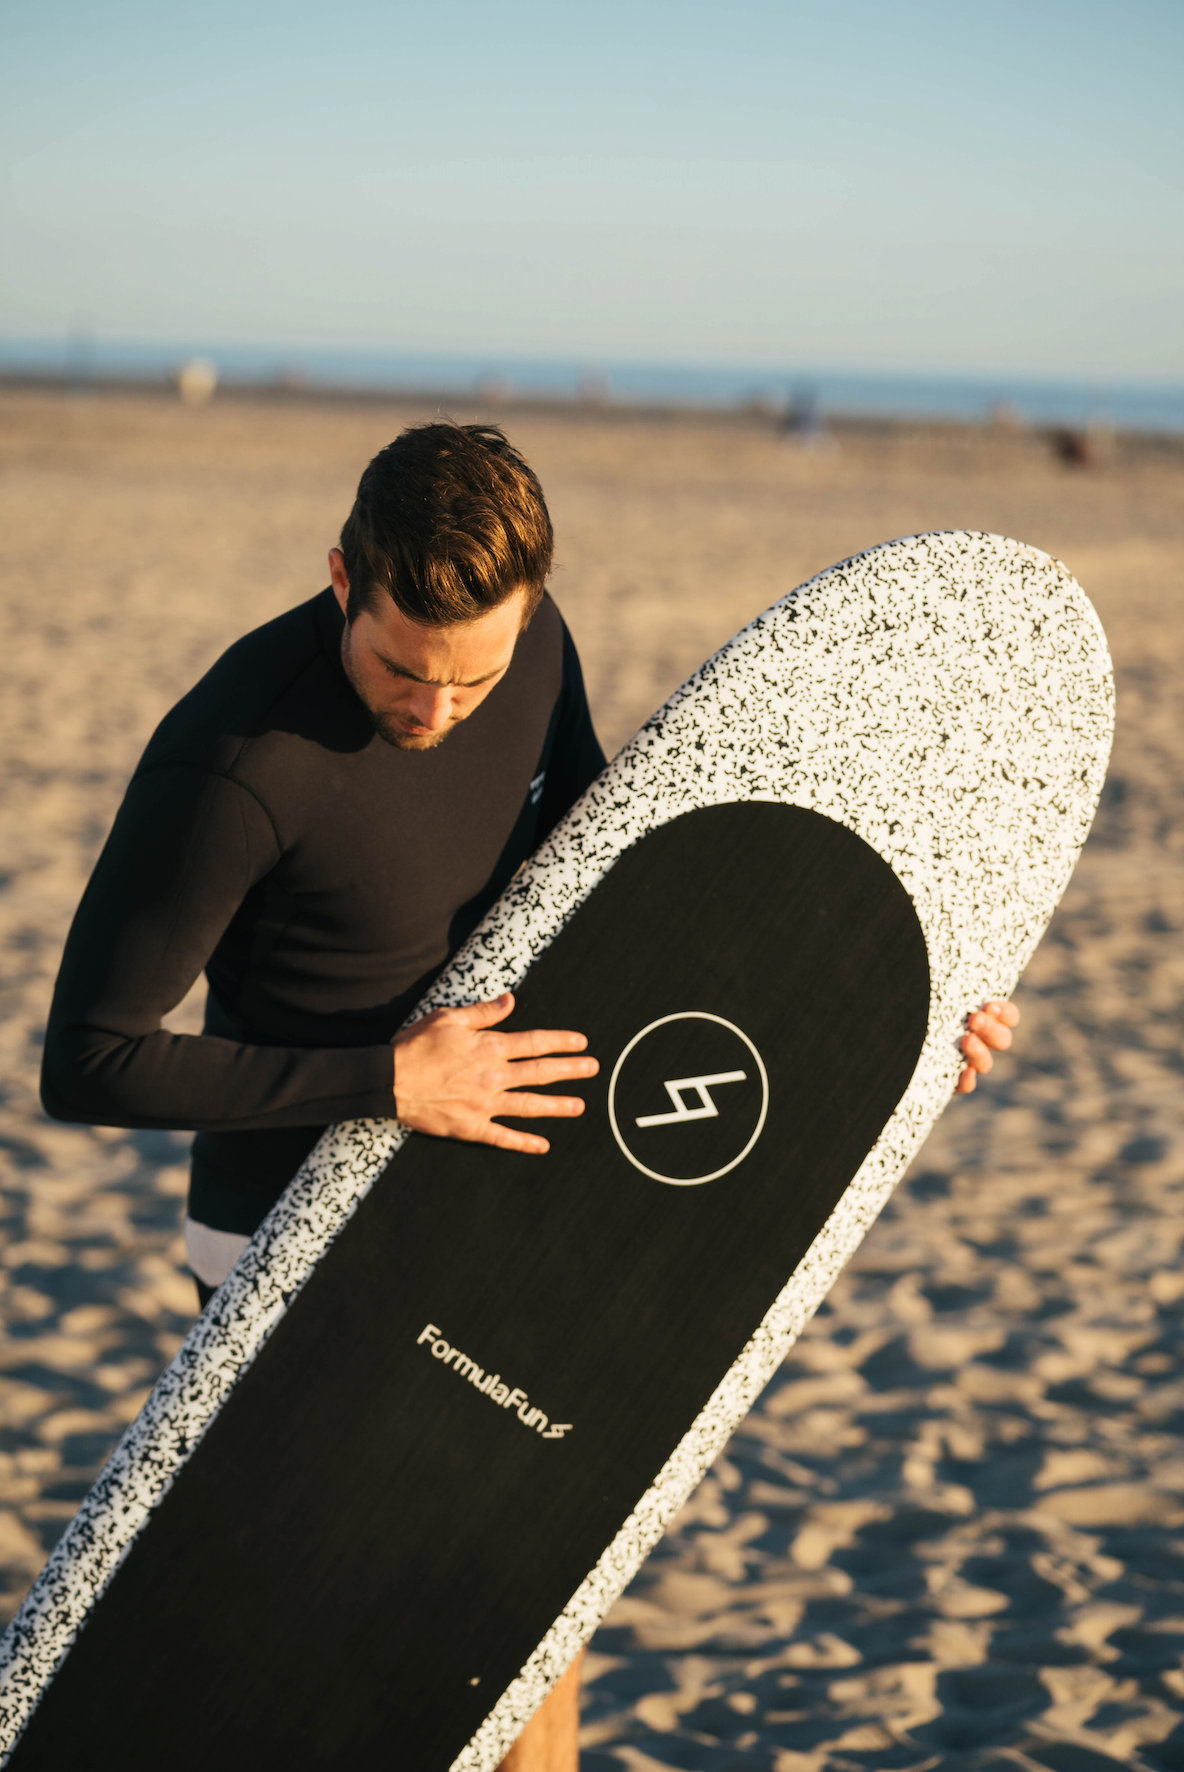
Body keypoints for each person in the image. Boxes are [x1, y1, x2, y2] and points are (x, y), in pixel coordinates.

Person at [40, 420, 1018, 1772]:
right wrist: (387, 1082)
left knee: (524, 1618)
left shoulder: (535, 659)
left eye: (473, 674)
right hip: (294, 1238)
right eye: (397, 666)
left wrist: (891, 1038)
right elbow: (89, 1059)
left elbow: (622, 904)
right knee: (373, 1648)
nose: (437, 709)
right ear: (342, 576)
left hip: (497, 1181)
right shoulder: (240, 762)